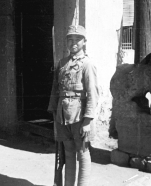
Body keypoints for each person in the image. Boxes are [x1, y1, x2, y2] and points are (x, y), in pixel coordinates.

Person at [48, 25, 99, 186]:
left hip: (80, 116)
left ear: (84, 42)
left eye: (77, 39)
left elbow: (93, 93)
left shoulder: (87, 64)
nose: (73, 43)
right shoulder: (62, 63)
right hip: (62, 116)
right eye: (70, 39)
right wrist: (54, 114)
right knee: (68, 154)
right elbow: (55, 90)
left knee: (83, 153)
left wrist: (87, 121)